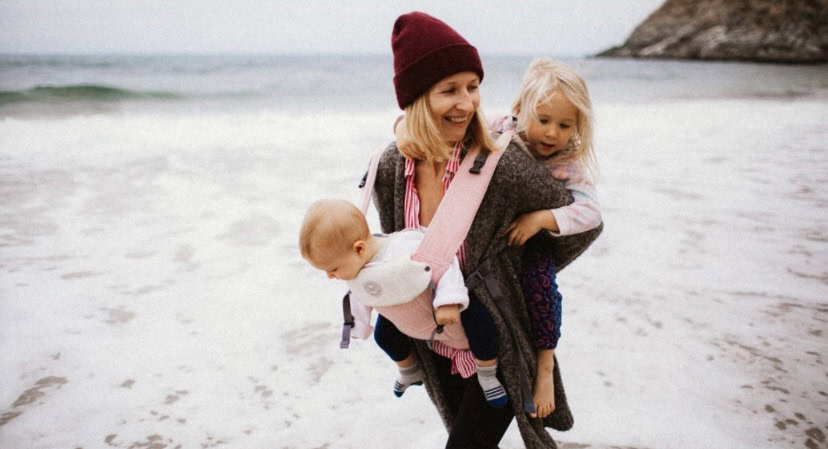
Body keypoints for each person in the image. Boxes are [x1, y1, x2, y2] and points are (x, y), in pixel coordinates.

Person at [367, 12, 602, 449]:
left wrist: (510, 267)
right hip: (436, 341)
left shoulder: (503, 161)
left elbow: (583, 223)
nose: (468, 102)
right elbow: (397, 247)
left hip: (496, 340)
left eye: (473, 87)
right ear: (417, 97)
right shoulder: (389, 166)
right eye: (450, 90)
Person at [298, 199, 508, 407]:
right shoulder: (354, 269)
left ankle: (487, 373)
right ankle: (409, 370)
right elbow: (359, 297)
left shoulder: (404, 247)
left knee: (478, 322)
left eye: (332, 269)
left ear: (359, 249)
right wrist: (357, 325)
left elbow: (443, 264)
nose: (329, 276)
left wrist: (449, 301)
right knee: (384, 336)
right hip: (408, 322)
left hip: (444, 315)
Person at [496, 58, 602, 419]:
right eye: (543, 120)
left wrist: (544, 218)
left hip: (535, 241)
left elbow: (591, 213)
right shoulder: (501, 132)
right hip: (494, 234)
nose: (553, 134)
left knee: (541, 284)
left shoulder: (568, 163)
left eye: (565, 125)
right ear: (519, 109)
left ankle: (545, 366)